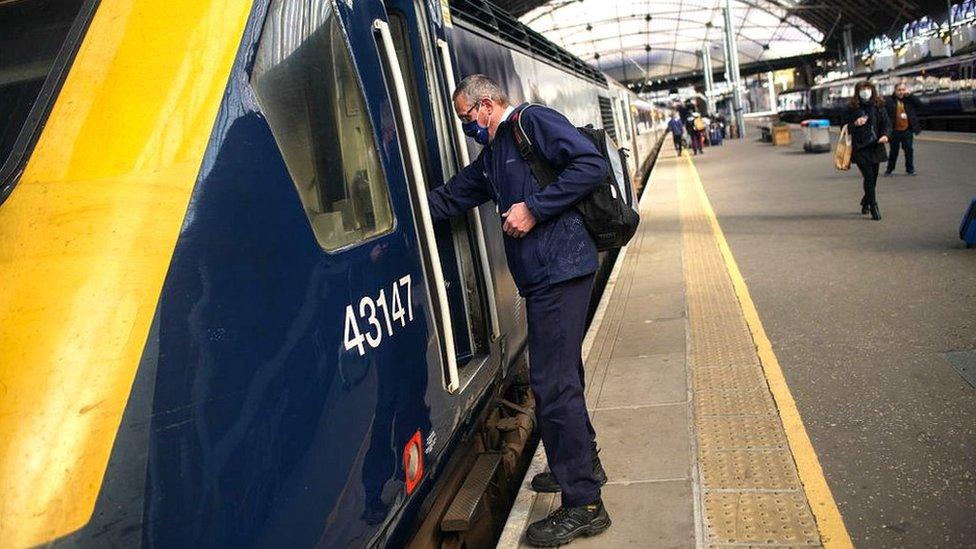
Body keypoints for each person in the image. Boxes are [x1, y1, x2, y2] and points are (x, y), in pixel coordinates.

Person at [427, 74, 611, 546]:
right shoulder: (493, 157)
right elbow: (450, 197)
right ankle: (583, 463)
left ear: (486, 105)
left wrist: (534, 207)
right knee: (562, 374)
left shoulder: (533, 122)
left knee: (552, 384)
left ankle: (584, 503)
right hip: (545, 277)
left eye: (467, 117)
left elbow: (591, 165)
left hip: (562, 271)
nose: (466, 126)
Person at [848, 81, 891, 220]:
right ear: (857, 91)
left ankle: (865, 201)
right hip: (860, 148)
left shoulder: (878, 106)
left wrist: (885, 135)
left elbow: (886, 123)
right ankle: (874, 206)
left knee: (874, 178)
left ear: (872, 90)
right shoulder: (852, 108)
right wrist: (855, 123)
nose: (865, 91)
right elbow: (844, 127)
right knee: (869, 177)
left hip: (876, 145)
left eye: (868, 88)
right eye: (862, 89)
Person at [884, 82, 922, 176]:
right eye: (899, 90)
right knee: (894, 151)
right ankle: (889, 169)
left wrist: (911, 95)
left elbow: (919, 104)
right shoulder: (889, 100)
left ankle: (910, 169)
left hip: (907, 129)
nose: (901, 92)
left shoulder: (909, 99)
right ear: (895, 91)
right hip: (894, 130)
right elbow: (885, 114)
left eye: (903, 90)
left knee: (909, 149)